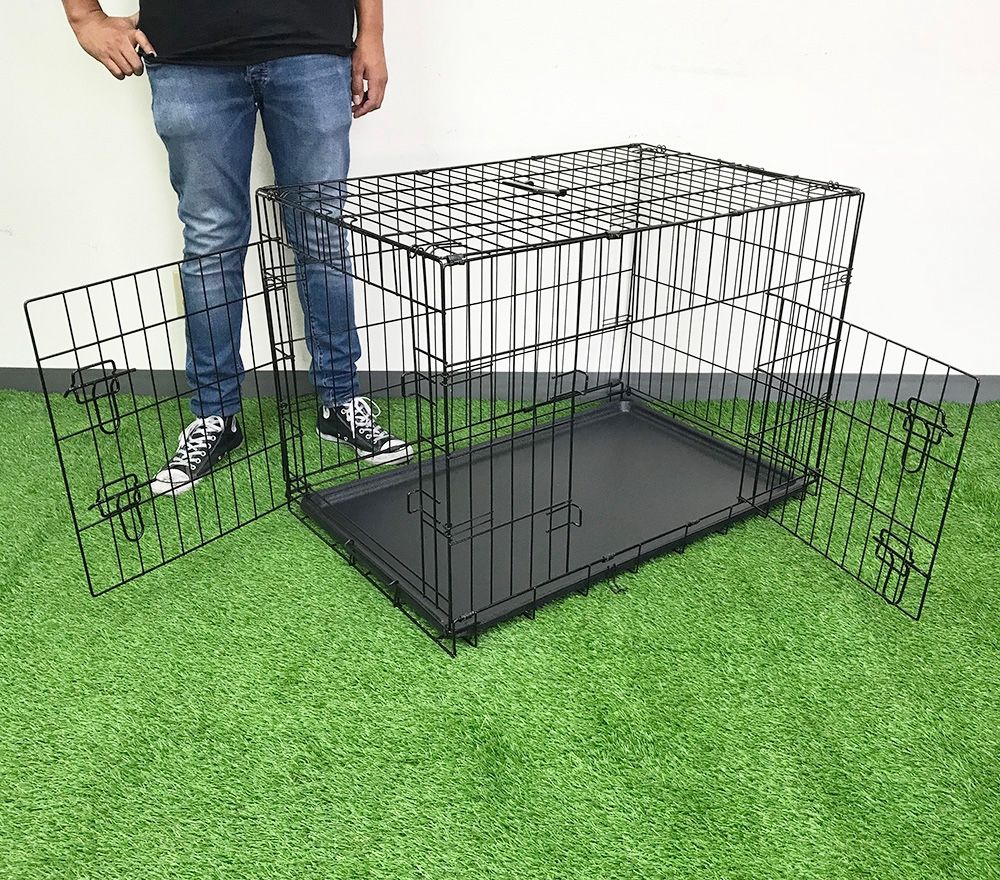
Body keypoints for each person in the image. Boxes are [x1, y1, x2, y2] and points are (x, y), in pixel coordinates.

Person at [62, 0, 412, 497]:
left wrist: (371, 33)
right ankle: (215, 415)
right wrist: (84, 18)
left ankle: (340, 402)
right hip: (189, 53)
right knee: (211, 242)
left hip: (311, 44)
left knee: (322, 234)